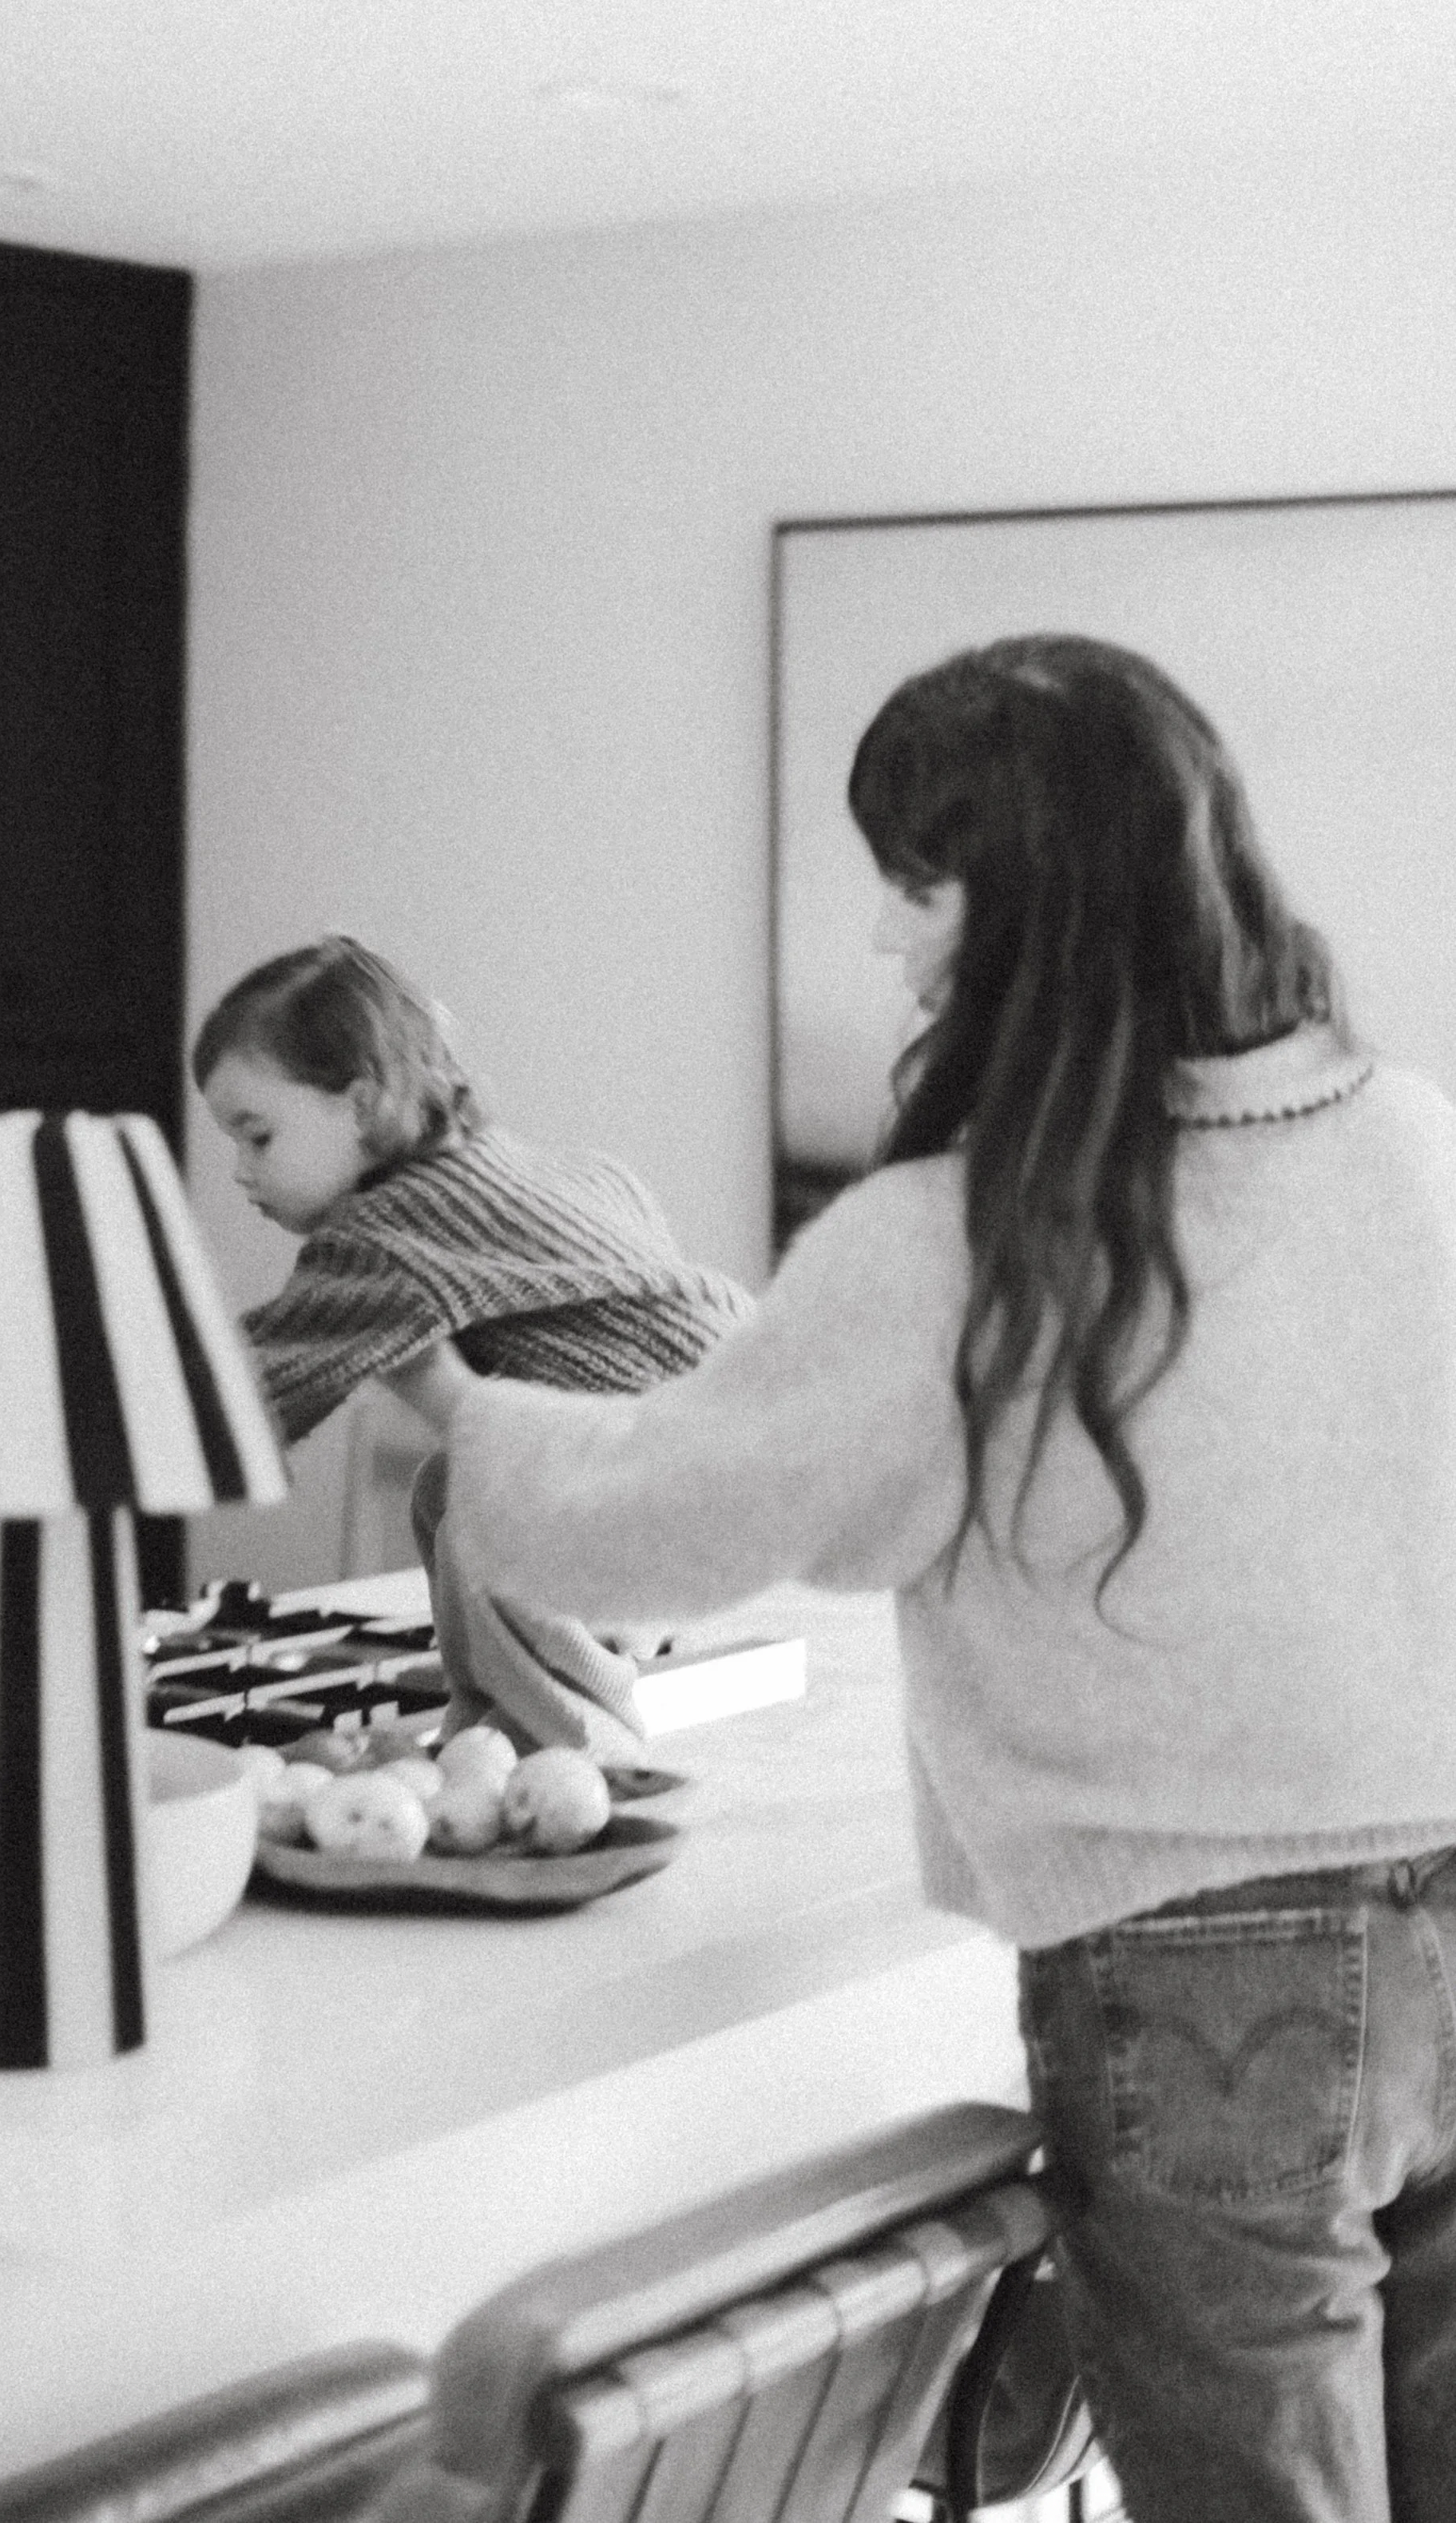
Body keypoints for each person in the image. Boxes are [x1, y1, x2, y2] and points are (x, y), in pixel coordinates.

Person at [410, 637, 1456, 2523]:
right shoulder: (1421, 1139)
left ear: (1035, 901)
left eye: (919, 880)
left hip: (1205, 1949)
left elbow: (671, 1521)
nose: (890, 941)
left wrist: (467, 1419)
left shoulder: (965, 1233)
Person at [192, 933, 752, 1754]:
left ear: (356, 1105)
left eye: (257, 1135)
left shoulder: (387, 1235)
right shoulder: (523, 1171)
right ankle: (560, 1670)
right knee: (446, 1489)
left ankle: (564, 1743)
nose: (240, 1170)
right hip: (730, 1442)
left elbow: (245, 1392)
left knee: (486, 1516)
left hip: (667, 1463)